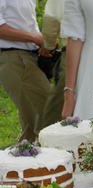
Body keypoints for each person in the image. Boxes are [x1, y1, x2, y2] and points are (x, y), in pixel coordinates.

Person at [0, 0, 50, 142]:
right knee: (47, 113)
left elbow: (25, 23)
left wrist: (42, 41)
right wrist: (34, 38)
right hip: (14, 58)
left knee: (31, 121)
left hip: (28, 56)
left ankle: (25, 157)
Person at [39, 0, 66, 128]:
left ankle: (45, 141)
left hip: (72, 52)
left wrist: (48, 46)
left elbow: (51, 23)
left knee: (57, 104)